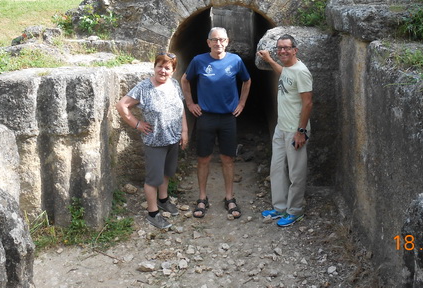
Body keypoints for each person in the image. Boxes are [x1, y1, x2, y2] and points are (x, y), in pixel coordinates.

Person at [181, 27, 251, 220]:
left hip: (228, 117)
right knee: (203, 158)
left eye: (221, 40)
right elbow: (185, 80)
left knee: (228, 159)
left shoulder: (235, 61)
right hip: (206, 116)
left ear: (227, 41)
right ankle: (202, 198)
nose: (218, 43)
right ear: (208, 42)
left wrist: (242, 103)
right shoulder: (199, 61)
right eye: (214, 40)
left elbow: (247, 81)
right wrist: (190, 103)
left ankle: (229, 197)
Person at [116, 52, 188, 229]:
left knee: (166, 172)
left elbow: (181, 109)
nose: (163, 71)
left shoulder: (174, 84)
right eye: (160, 67)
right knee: (152, 179)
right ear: (154, 67)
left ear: (173, 71)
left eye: (167, 68)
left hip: (173, 138)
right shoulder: (144, 87)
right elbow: (122, 105)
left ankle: (163, 200)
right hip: (154, 141)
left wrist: (184, 131)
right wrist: (137, 123)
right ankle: (153, 213)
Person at [257, 34, 313, 227]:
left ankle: (295, 211)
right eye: (279, 48)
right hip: (281, 128)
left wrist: (301, 131)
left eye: (286, 48)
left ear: (295, 50)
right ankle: (280, 207)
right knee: (277, 168)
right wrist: (270, 60)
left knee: (296, 173)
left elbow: (308, 103)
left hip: (294, 131)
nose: (282, 51)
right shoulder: (288, 69)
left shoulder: (301, 71)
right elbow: (283, 74)